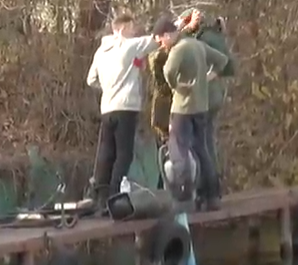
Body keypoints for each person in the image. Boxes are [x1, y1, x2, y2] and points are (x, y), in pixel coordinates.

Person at [152, 14, 229, 210]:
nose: (162, 45)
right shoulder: (197, 45)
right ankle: (212, 196)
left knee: (179, 150)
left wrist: (176, 86)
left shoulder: (179, 49)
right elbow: (222, 60)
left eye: (161, 40)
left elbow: (168, 71)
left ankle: (184, 197)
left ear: (168, 35)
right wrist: (207, 77)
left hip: (182, 108)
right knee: (202, 150)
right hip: (201, 107)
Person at [85, 11, 158, 211]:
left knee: (106, 152)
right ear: (123, 28)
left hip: (107, 107)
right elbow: (154, 41)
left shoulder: (101, 51)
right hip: (126, 107)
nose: (134, 32)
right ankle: (114, 195)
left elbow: (91, 79)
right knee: (124, 154)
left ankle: (99, 195)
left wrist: (109, 87)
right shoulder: (128, 45)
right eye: (132, 28)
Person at [175, 9, 236, 196]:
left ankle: (206, 188)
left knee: (199, 143)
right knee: (206, 141)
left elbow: (228, 65)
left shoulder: (201, 39)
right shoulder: (212, 36)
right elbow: (227, 64)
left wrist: (207, 77)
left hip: (204, 98)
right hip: (212, 96)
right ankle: (212, 188)